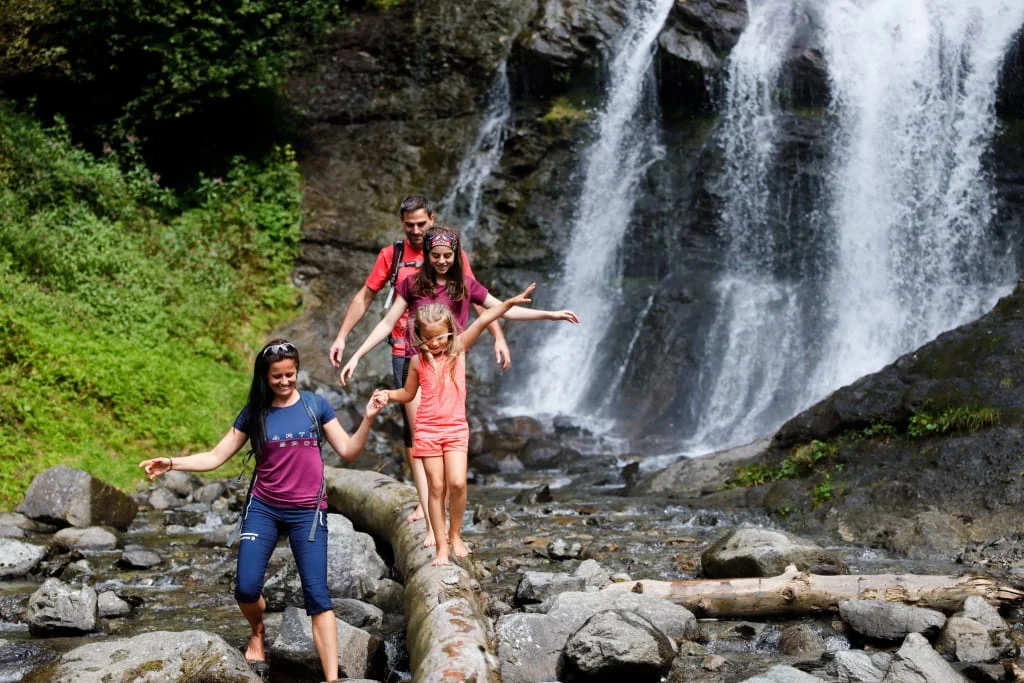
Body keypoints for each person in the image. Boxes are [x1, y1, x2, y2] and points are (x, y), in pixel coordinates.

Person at [140, 340, 384, 683]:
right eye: (276, 377)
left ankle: (332, 679)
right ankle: (258, 631)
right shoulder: (255, 414)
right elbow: (215, 456)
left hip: (307, 513)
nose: (284, 381)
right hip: (264, 509)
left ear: (297, 371)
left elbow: (349, 451)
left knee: (318, 595)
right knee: (246, 588)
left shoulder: (316, 406)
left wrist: (369, 418)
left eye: (290, 374)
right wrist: (172, 463)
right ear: (264, 377)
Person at [341, 225, 579, 546]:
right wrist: (357, 354)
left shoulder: (464, 285)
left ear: (456, 255)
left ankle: (448, 532)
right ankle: (430, 525)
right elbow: (386, 323)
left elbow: (498, 310)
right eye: (435, 255)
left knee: (450, 453)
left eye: (447, 255)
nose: (441, 261)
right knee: (421, 444)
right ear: (426, 254)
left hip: (451, 366)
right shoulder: (411, 284)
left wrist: (550, 315)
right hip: (419, 365)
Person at [327, 195, 509, 525]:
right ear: (402, 223)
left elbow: (477, 298)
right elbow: (367, 297)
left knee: (443, 424)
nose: (415, 230)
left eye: (421, 224)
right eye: (409, 225)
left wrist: (498, 336)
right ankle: (425, 504)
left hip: (449, 357)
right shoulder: (393, 256)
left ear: (432, 220)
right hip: (407, 351)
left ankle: (437, 509)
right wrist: (344, 338)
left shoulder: (448, 253)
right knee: (417, 433)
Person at [372, 284, 537, 565]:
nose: (435, 344)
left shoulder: (457, 349)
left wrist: (508, 303)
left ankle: (456, 534)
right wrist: (389, 394)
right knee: (436, 487)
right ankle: (440, 547)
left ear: (450, 331)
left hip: (455, 428)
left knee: (458, 483)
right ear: (419, 336)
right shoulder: (415, 362)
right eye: (428, 339)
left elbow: (483, 319)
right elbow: (408, 394)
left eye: (440, 337)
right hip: (426, 429)